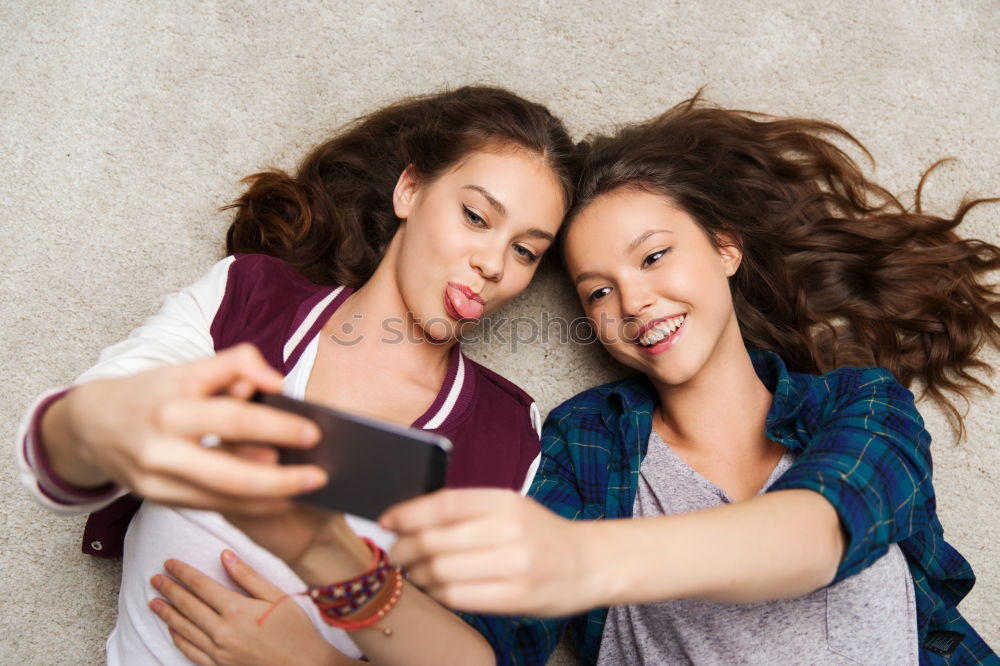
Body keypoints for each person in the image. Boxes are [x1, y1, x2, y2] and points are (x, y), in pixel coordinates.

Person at [151, 97, 998, 665]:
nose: (634, 302)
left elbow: (816, 537)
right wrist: (331, 617)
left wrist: (578, 559)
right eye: (597, 290)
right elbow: (486, 649)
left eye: (655, 256)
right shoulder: (586, 446)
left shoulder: (855, 406)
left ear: (726, 249)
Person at [14, 85, 578, 665]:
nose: (493, 264)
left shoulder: (506, 434)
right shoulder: (246, 299)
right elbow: (59, 453)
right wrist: (106, 421)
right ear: (409, 189)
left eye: (526, 252)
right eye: (476, 216)